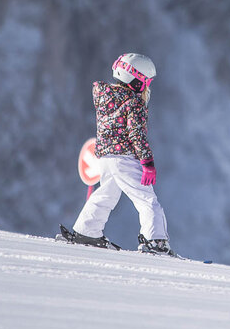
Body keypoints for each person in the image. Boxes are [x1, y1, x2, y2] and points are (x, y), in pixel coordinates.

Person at [66, 53, 174, 256]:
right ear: (134, 80)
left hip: (105, 158)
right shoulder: (134, 103)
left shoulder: (103, 95)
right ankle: (156, 241)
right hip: (125, 157)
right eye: (145, 81)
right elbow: (136, 134)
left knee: (106, 194)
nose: (147, 87)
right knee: (147, 200)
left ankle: (86, 231)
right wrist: (147, 162)